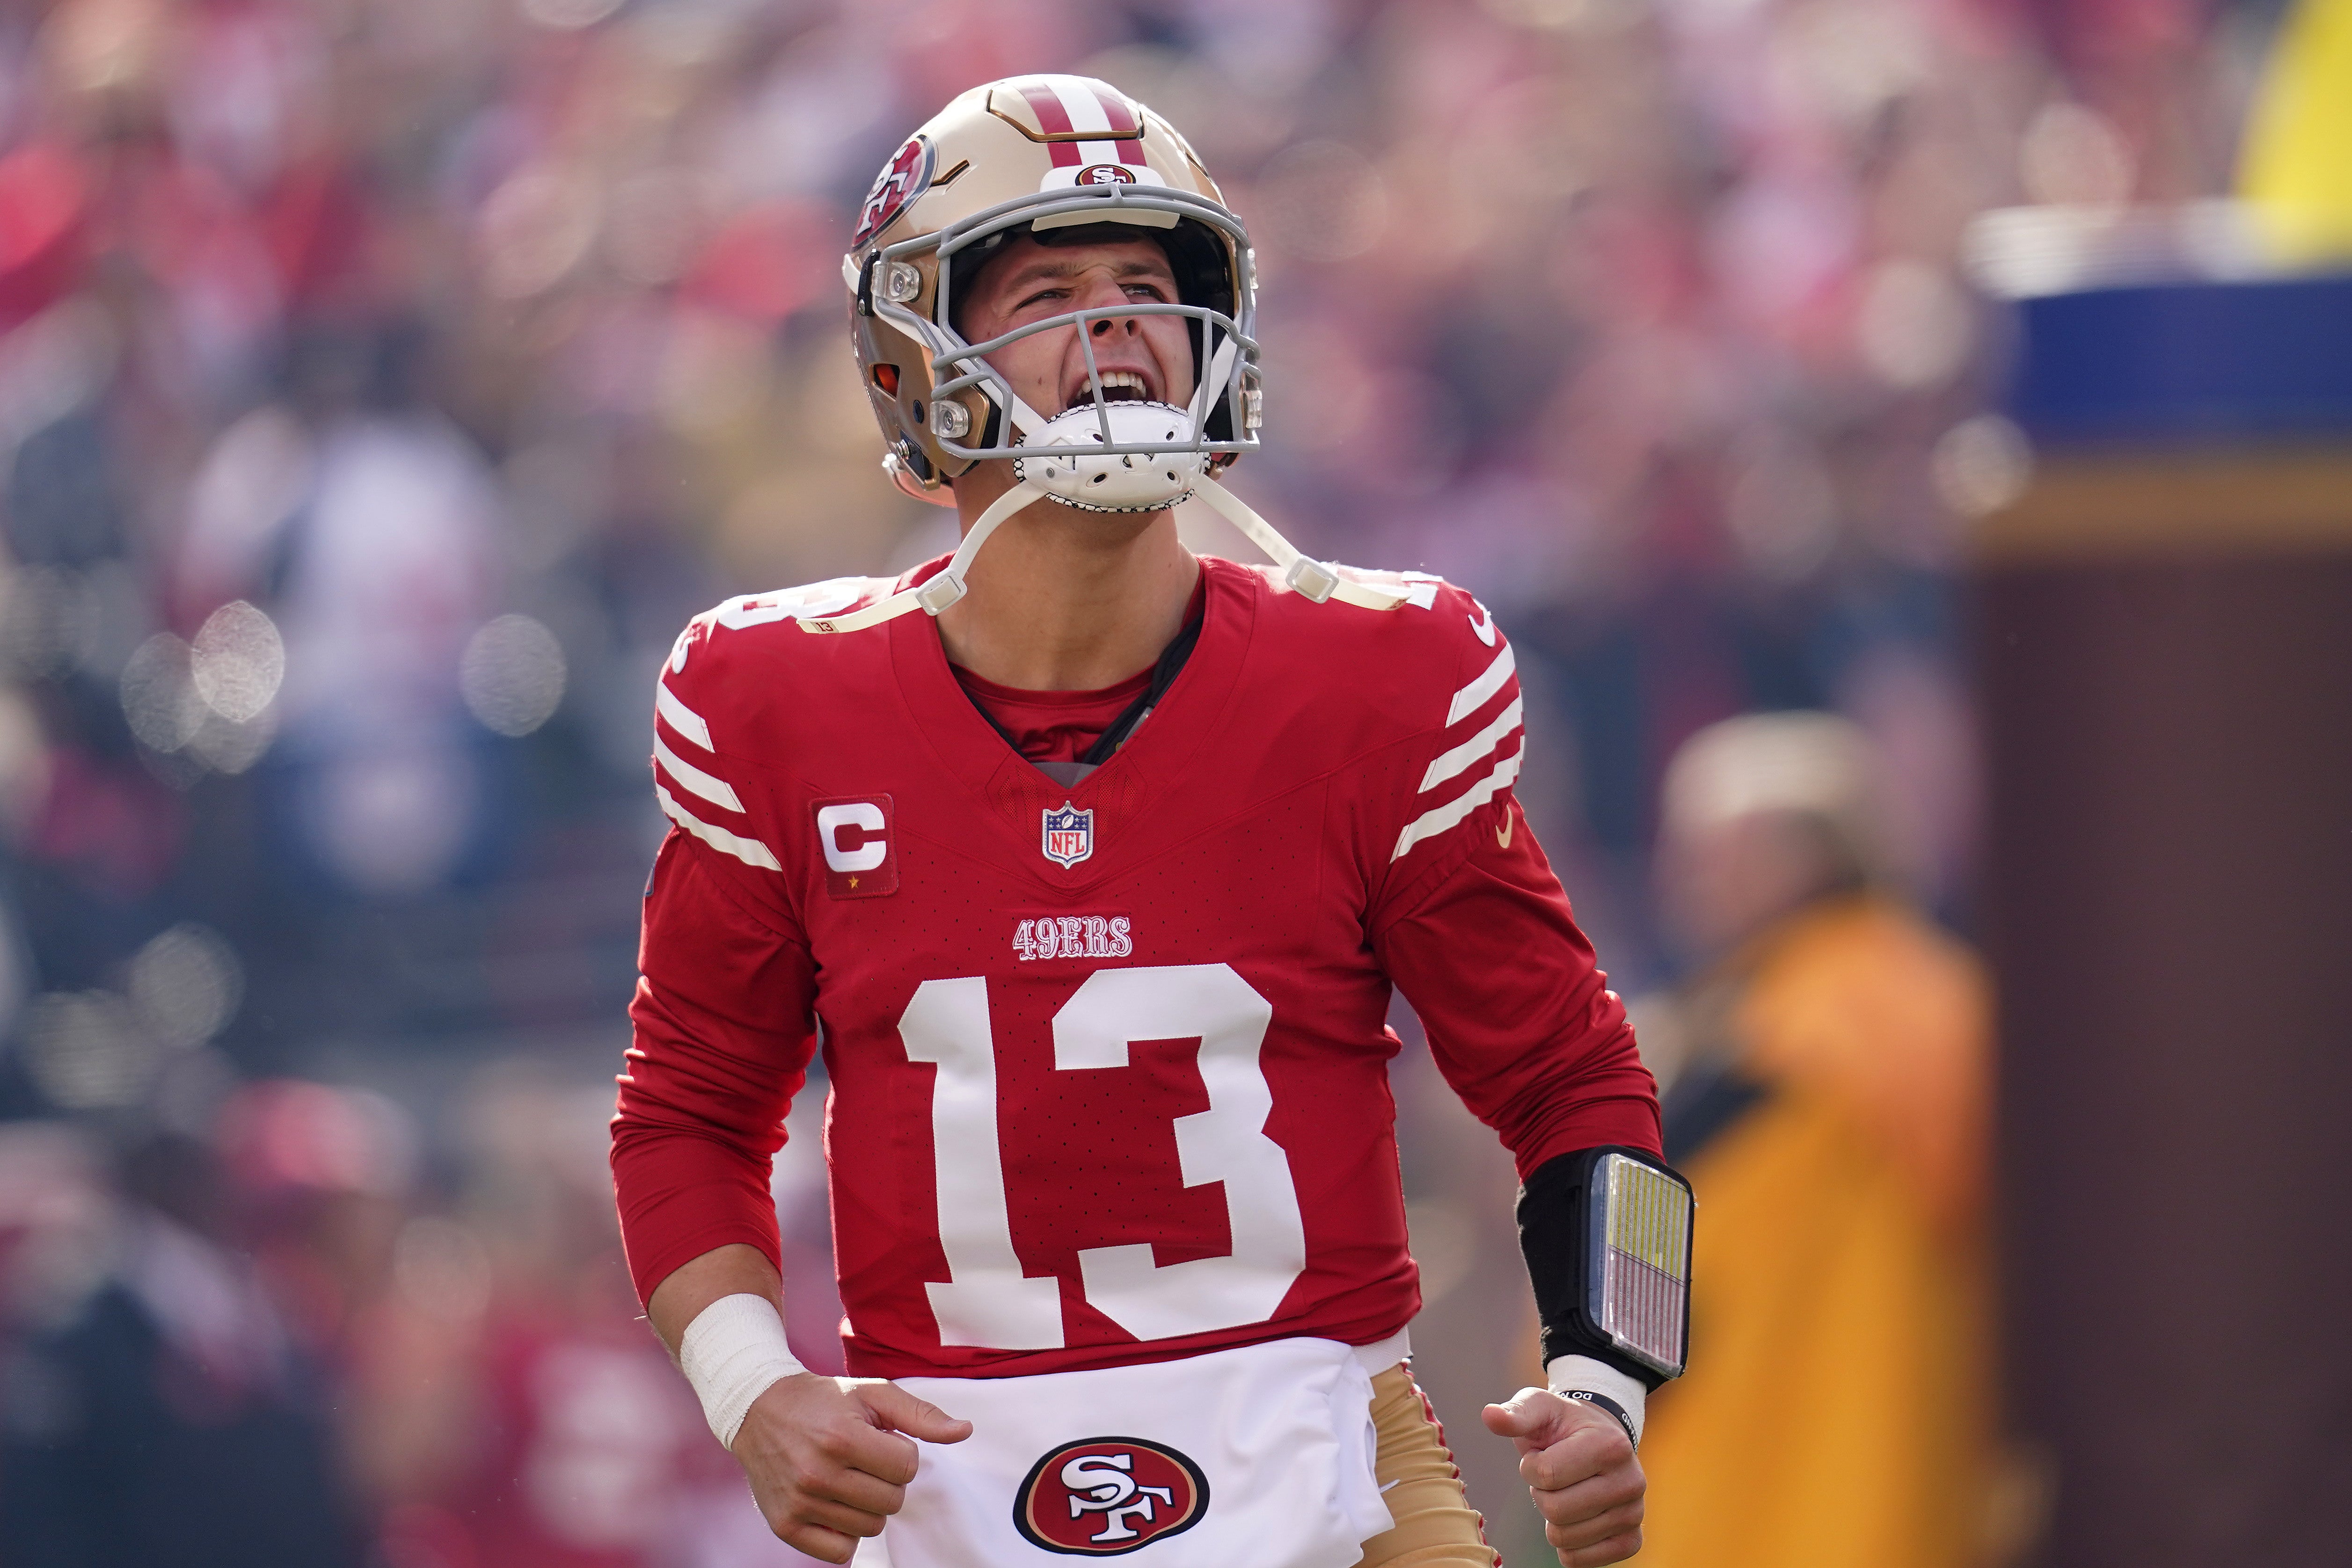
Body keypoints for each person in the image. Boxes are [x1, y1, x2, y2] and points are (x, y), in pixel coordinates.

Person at [610, 75, 1684, 1568]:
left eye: (1144, 287)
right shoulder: (775, 698)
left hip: (1317, 1446)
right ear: (918, 358)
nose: (1113, 325)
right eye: (1046, 289)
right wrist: (755, 1394)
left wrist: (1607, 1375)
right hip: (943, 1472)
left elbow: (1577, 1077)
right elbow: (687, 1113)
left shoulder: (1381, 675)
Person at [1631, 712, 1997, 1568]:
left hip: (1750, 1503)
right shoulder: (1955, 1005)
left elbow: (1627, 1298)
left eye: (1709, 856)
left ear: (1797, 860)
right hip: (1931, 1488)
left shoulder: (1757, 1062)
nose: (1681, 885)